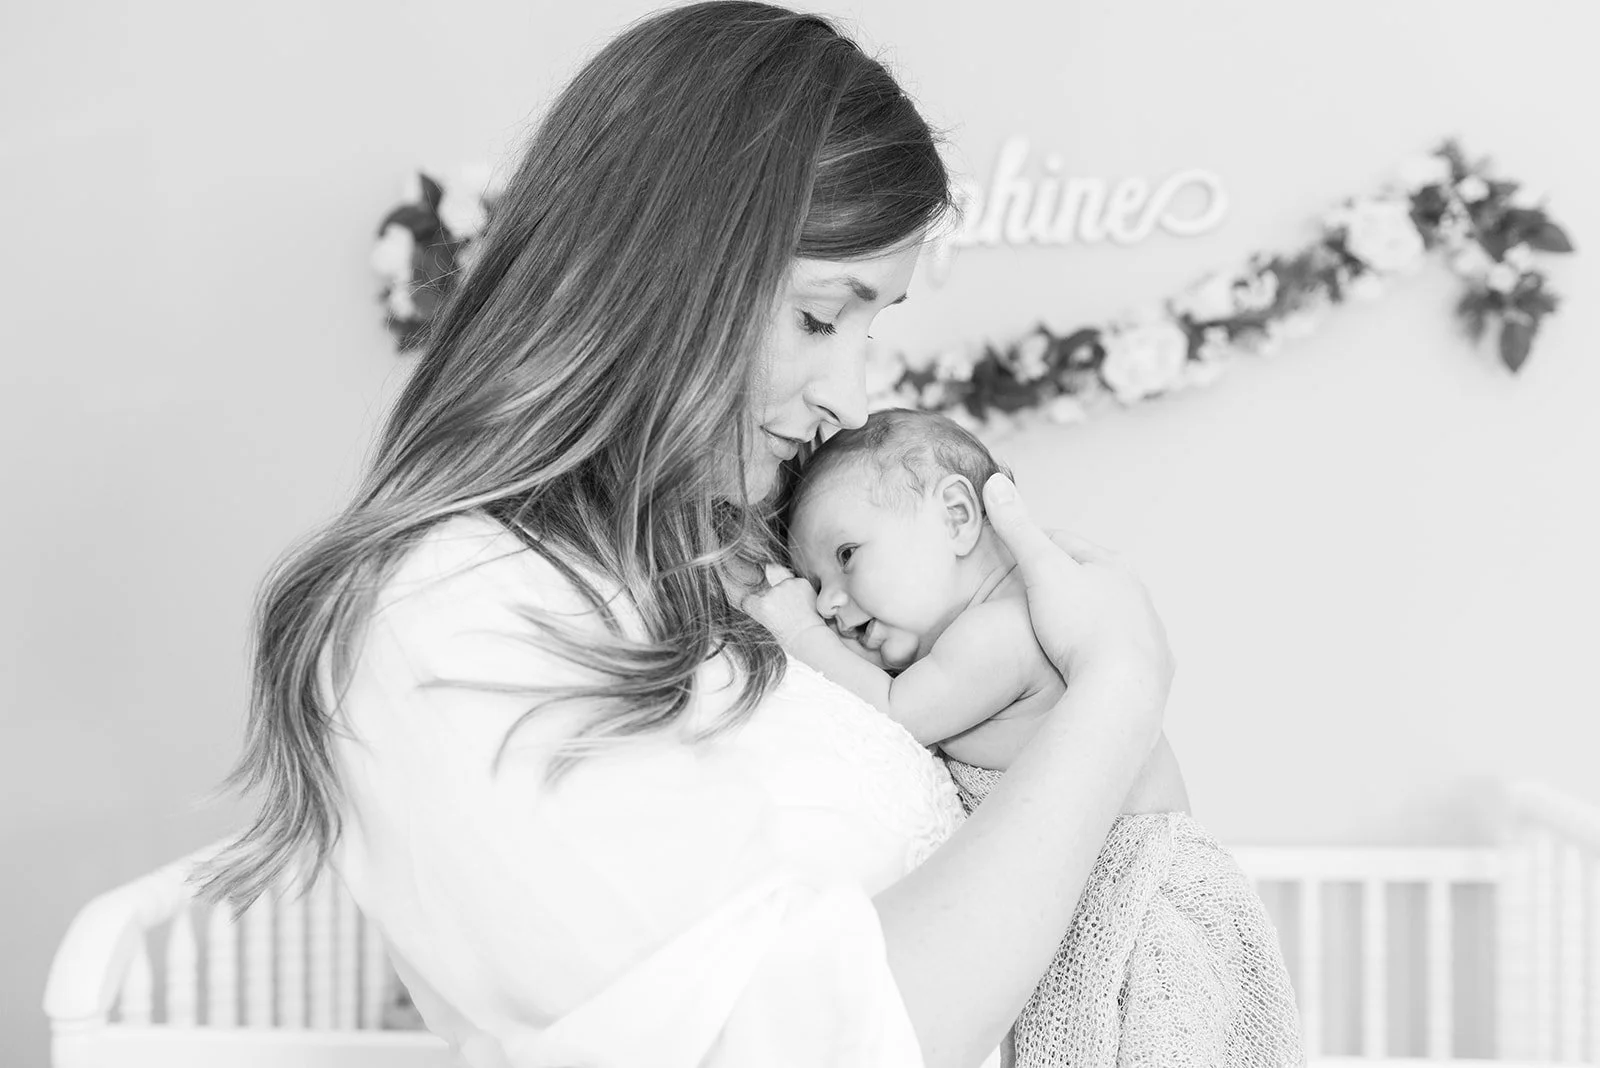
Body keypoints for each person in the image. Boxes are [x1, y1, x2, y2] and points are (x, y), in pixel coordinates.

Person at [198, 5, 1178, 1067]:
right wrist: (1117, 688)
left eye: (870, 327)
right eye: (819, 317)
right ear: (664, 270)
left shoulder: (745, 557)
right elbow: (805, 1043)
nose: (850, 399)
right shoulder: (446, 614)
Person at [748, 408, 1303, 1067]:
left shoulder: (1001, 632)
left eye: (846, 557)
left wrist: (798, 631)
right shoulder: (979, 635)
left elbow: (894, 712)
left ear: (957, 516)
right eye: (815, 587)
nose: (829, 604)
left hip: (1142, 902)